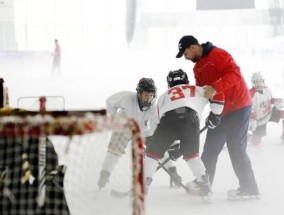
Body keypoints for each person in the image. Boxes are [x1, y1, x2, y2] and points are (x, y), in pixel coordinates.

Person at [176, 35, 259, 200]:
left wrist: (215, 86)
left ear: (192, 47)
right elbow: (202, 94)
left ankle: (249, 188)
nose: (185, 58)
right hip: (219, 110)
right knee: (211, 148)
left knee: (235, 147)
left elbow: (235, 75)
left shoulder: (218, 54)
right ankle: (205, 184)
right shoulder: (197, 68)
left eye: (185, 53)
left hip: (239, 106)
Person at [144, 69, 225, 197]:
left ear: (169, 84)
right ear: (186, 80)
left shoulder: (163, 96)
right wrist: (215, 114)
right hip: (191, 119)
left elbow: (157, 123)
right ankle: (204, 184)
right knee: (192, 156)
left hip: (168, 119)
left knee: (152, 154)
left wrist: (169, 145)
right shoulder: (196, 88)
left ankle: (144, 183)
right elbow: (218, 93)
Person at [97, 78, 182, 190]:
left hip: (144, 131)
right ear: (139, 93)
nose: (148, 98)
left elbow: (158, 127)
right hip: (124, 129)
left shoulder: (154, 109)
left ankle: (173, 171)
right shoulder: (126, 97)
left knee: (158, 148)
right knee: (114, 149)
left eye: (151, 95)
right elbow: (109, 101)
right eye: (146, 95)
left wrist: (170, 143)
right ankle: (105, 173)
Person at [248, 72, 284, 145]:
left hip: (268, 113)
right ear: (253, 82)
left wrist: (275, 101)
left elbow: (269, 99)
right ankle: (248, 137)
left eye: (261, 81)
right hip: (258, 120)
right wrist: (252, 119)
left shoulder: (266, 89)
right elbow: (250, 109)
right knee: (256, 142)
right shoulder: (250, 94)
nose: (260, 83)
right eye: (257, 81)